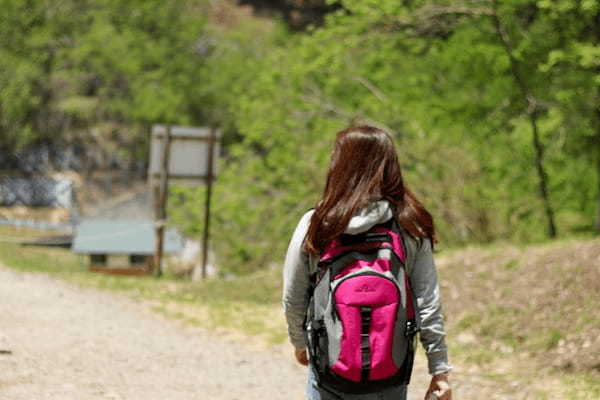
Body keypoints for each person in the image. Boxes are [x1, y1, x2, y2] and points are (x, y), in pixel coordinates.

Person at [282, 125, 452, 400]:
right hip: (389, 370)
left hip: (330, 371)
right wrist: (439, 370)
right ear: (390, 165)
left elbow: (293, 295)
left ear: (339, 165)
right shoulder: (410, 225)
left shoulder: (317, 224)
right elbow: (428, 303)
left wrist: (300, 343)